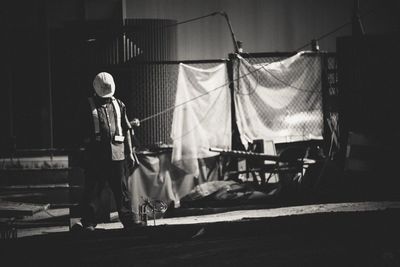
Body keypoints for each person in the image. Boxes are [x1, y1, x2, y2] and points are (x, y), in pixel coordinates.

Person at [76, 72, 140, 231]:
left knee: (122, 191)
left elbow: (127, 131)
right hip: (95, 157)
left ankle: (129, 221)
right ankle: (89, 223)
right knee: (92, 191)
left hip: (117, 155)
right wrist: (82, 154)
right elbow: (80, 132)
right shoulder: (87, 105)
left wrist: (130, 153)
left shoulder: (119, 104)